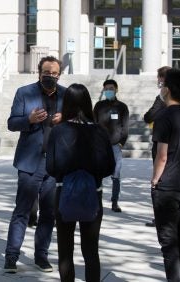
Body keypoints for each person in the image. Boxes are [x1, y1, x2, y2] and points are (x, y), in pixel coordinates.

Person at [4, 56, 66, 273]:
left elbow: (77, 124)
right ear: (39, 73)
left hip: (55, 164)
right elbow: (11, 123)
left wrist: (64, 120)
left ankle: (41, 256)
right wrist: (28, 120)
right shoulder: (24, 92)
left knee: (49, 213)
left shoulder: (66, 95)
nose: (50, 76)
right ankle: (11, 256)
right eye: (46, 72)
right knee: (22, 211)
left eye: (55, 73)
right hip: (30, 162)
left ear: (60, 75)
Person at [47, 83, 115, 282]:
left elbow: (51, 167)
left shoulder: (58, 131)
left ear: (66, 103)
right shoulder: (100, 132)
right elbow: (109, 166)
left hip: (64, 191)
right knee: (91, 250)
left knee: (65, 250)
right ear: (88, 103)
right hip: (93, 192)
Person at [150, 69, 180, 282]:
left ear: (167, 89)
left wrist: (155, 180)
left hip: (167, 186)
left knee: (168, 242)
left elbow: (161, 156)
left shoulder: (163, 116)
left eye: (162, 86)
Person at [93, 79, 129, 213]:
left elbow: (125, 127)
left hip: (115, 145)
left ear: (116, 89)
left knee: (116, 174)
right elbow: (94, 123)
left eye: (111, 88)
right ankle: (97, 201)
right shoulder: (98, 106)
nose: (109, 91)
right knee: (98, 174)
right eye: (106, 88)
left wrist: (121, 143)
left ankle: (115, 201)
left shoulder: (122, 107)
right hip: (100, 145)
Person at [144, 66, 171, 227]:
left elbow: (148, 117)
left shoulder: (163, 99)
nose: (157, 81)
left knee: (159, 181)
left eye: (159, 77)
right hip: (174, 146)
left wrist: (160, 100)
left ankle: (161, 216)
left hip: (162, 143)